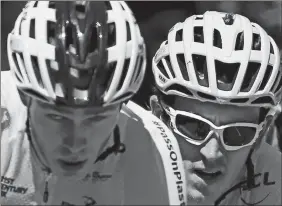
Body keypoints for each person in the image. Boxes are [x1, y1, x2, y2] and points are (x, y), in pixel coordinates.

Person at [1, 1, 187, 205]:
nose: (75, 142)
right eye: (57, 117)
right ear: (23, 95)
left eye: (96, 118)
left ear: (121, 105)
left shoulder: (151, 145)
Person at [150, 11, 282, 205]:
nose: (212, 154)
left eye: (237, 133)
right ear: (158, 115)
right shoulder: (116, 172)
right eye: (195, 127)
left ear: (262, 133)